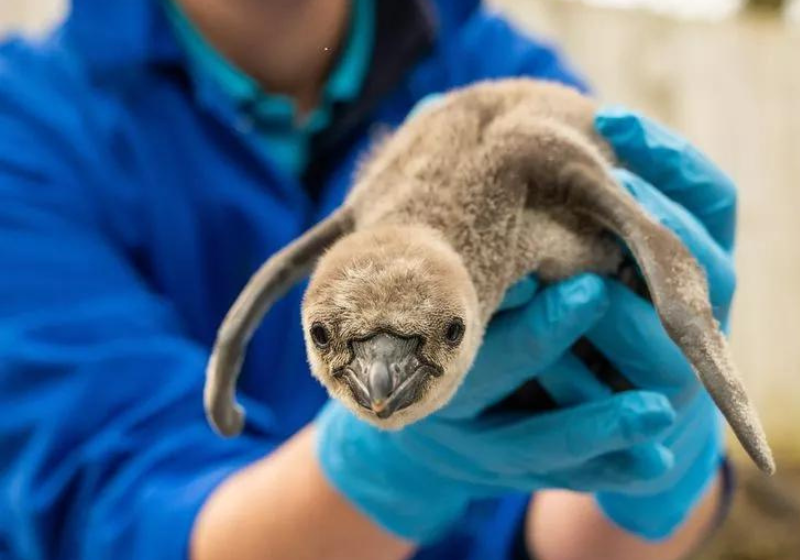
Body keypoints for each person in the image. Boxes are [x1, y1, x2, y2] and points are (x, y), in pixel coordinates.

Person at [0, 0, 738, 559]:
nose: (382, 380)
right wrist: (387, 467)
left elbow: (569, 527)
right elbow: (115, 511)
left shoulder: (504, 86)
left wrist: (655, 458)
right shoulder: (30, 130)